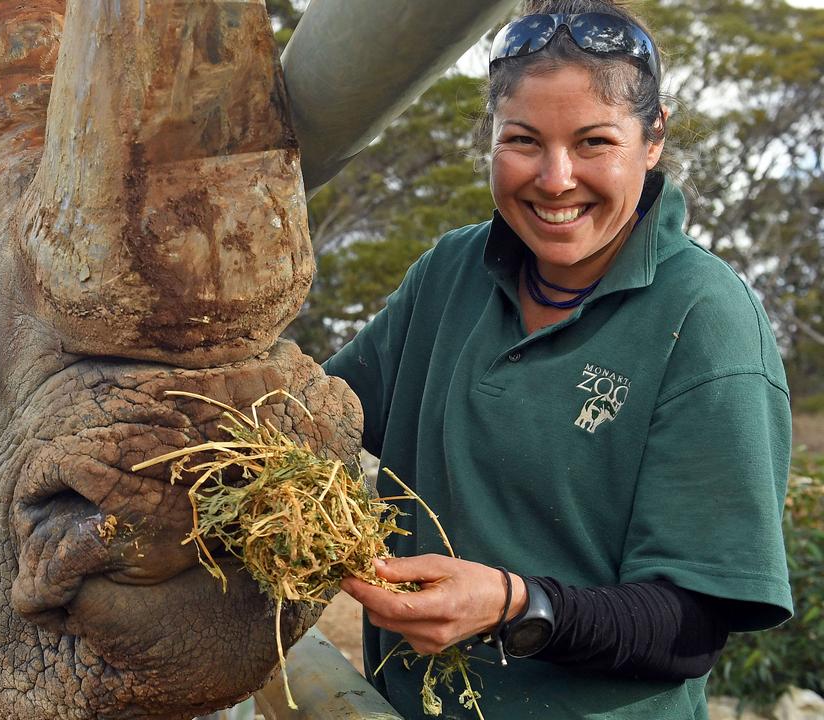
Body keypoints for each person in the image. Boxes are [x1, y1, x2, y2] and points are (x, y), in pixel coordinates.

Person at [325, 1, 794, 718]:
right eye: (522, 141)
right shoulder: (450, 272)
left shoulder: (706, 321)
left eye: (594, 141)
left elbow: (693, 625)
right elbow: (321, 417)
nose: (555, 178)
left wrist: (515, 605)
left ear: (653, 137)